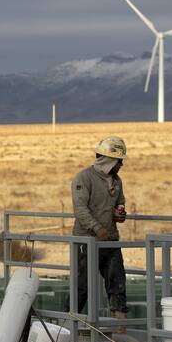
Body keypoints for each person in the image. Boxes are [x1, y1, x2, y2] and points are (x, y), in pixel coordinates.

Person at [71, 136, 128, 324]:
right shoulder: (84, 178)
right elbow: (80, 209)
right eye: (119, 161)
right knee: (82, 286)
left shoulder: (117, 181)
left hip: (110, 240)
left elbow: (119, 204)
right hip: (86, 241)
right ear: (108, 160)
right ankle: (67, 326)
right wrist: (96, 228)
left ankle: (119, 327)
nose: (121, 165)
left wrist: (120, 215)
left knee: (117, 282)